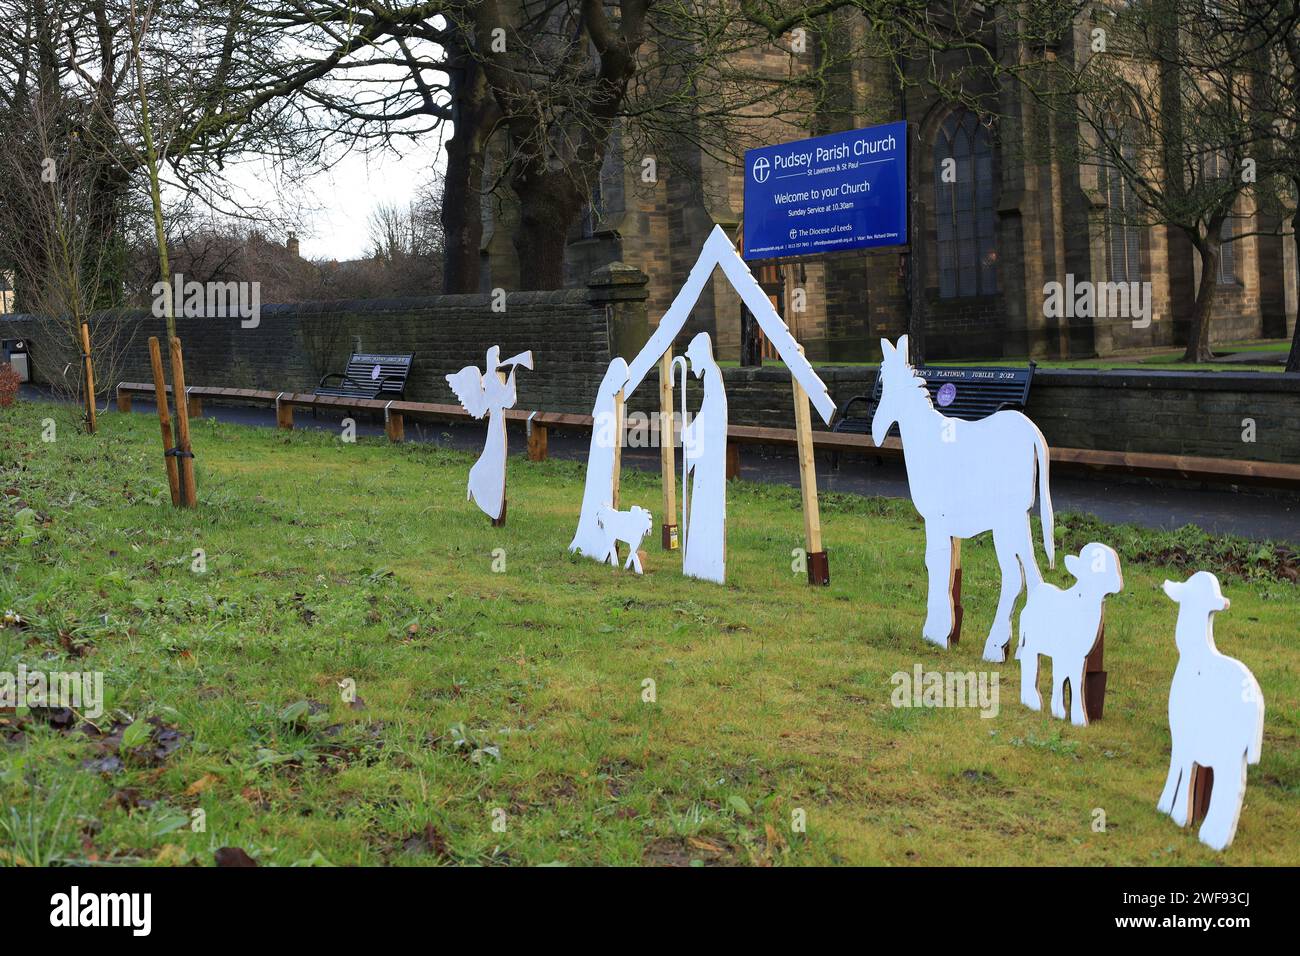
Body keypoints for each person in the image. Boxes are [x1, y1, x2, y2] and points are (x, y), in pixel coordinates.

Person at [681, 332, 727, 583]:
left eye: (692, 359)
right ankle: (698, 558)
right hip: (708, 458)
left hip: (710, 461)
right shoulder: (711, 376)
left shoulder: (711, 376)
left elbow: (711, 415)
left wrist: (691, 432)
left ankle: (705, 559)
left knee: (706, 505)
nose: (692, 366)